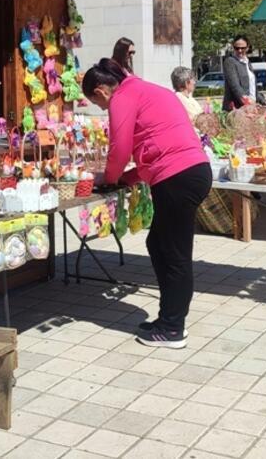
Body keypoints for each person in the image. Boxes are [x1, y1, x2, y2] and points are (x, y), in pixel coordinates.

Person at [84, 59, 210, 349]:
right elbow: (153, 151)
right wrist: (125, 179)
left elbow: (120, 149)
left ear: (102, 91)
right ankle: (168, 318)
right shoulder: (149, 91)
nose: (104, 109)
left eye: (99, 104)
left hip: (177, 177)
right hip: (190, 172)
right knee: (159, 244)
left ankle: (172, 328)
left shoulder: (123, 97)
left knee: (174, 253)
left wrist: (110, 177)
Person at [222, 35, 260, 110]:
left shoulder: (247, 62)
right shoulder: (230, 62)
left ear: (247, 47)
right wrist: (247, 102)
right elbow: (235, 86)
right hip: (237, 108)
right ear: (233, 48)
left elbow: (252, 88)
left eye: (243, 48)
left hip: (251, 107)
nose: (240, 50)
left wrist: (263, 100)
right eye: (237, 48)